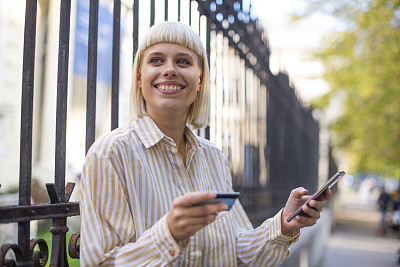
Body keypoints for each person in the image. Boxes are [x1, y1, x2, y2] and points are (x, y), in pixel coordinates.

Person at [79, 21, 331, 266]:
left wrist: (285, 224)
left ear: (199, 80)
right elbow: (101, 262)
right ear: (139, 78)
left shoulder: (212, 157)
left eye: (183, 61)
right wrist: (168, 235)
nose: (169, 69)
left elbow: (237, 252)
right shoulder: (111, 153)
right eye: (156, 60)